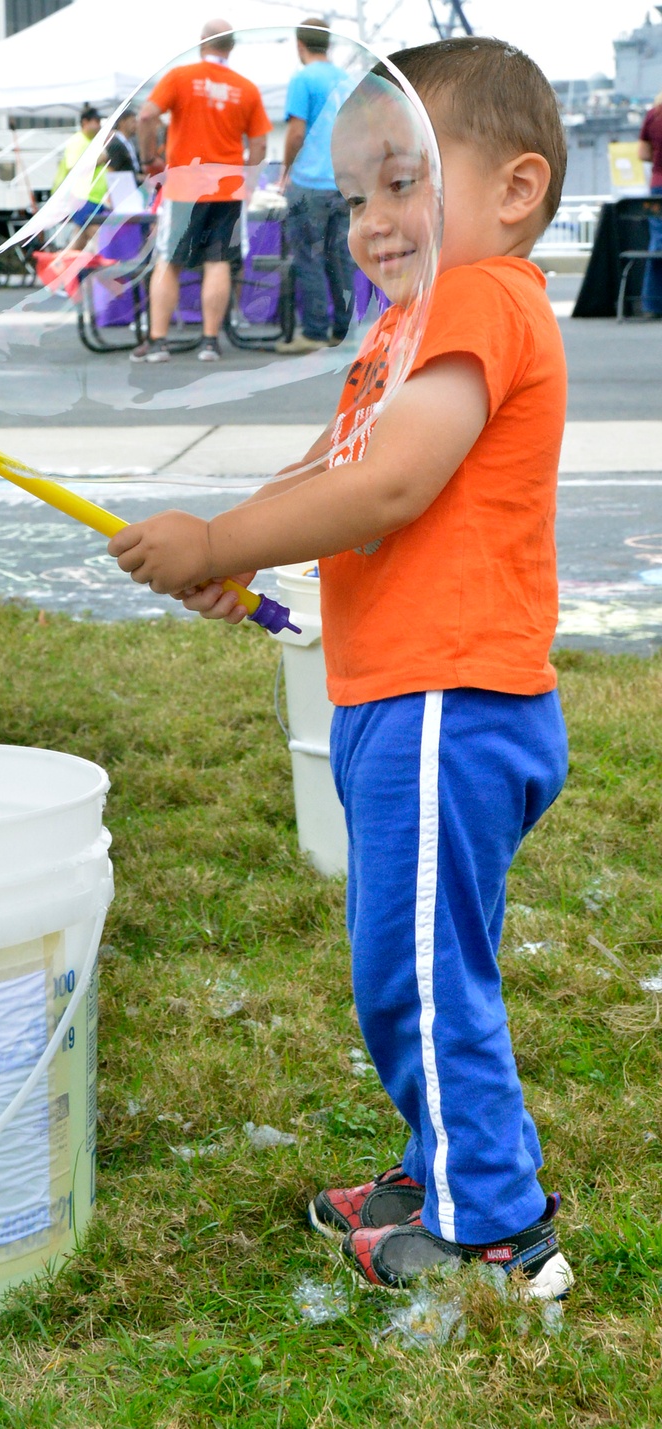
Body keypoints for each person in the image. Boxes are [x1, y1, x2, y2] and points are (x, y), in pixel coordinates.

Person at [108, 38, 575, 1299]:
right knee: (407, 961)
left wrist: (219, 537)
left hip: (449, 700)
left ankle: (497, 1230)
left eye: (400, 181)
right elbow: (326, 472)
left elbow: (389, 482)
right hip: (400, 698)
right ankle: (447, 1168)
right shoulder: (400, 331)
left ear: (515, 190)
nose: (369, 221)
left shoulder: (481, 299)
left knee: (422, 969)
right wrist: (235, 556)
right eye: (356, 193)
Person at [132, 19, 271, 363]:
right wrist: (249, 183)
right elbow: (260, 142)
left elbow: (146, 116)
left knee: (169, 260)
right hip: (228, 190)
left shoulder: (180, 77)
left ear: (202, 43)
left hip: (184, 188)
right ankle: (210, 341)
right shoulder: (246, 88)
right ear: (231, 47)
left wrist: (149, 158)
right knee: (218, 262)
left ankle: (159, 342)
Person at [275, 19, 356, 354]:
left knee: (309, 256)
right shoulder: (347, 80)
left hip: (309, 182)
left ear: (299, 45)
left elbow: (296, 132)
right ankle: (342, 330)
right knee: (341, 258)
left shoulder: (303, 78)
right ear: (329, 44)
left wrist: (285, 171)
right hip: (343, 181)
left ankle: (314, 331)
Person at [52, 105, 109, 251]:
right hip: (81, 198)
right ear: (85, 122)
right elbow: (74, 168)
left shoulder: (91, 142)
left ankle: (58, 269)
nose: (99, 126)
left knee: (78, 244)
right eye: (96, 121)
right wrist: (99, 159)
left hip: (93, 199)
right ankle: (110, 270)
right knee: (101, 240)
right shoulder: (77, 141)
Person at [637, 90, 662, 318]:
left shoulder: (653, 115)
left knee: (658, 243)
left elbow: (642, 153)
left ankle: (653, 304)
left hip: (658, 186)